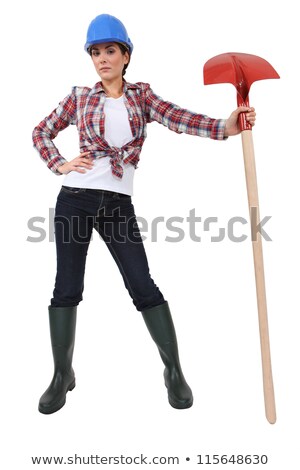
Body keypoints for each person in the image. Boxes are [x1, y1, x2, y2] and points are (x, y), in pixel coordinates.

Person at [32, 14, 256, 415]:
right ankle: (61, 375)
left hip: (118, 204)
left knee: (143, 285)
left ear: (125, 55)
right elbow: (40, 132)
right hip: (75, 199)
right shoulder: (79, 97)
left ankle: (173, 372)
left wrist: (227, 126)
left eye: (110, 51)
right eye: (95, 52)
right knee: (66, 287)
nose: (102, 58)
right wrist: (61, 164)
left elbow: (180, 118)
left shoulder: (141, 96)